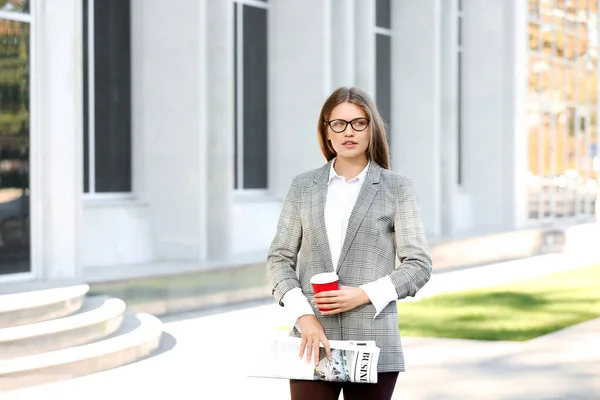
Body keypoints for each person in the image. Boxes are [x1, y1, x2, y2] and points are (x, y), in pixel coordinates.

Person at [266, 86, 432, 400]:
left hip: (373, 340)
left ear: (372, 129)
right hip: (312, 342)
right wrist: (304, 317)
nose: (348, 132)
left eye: (359, 122)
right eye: (338, 124)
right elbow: (279, 259)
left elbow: (419, 265)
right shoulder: (303, 186)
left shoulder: (397, 187)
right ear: (327, 132)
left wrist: (362, 294)